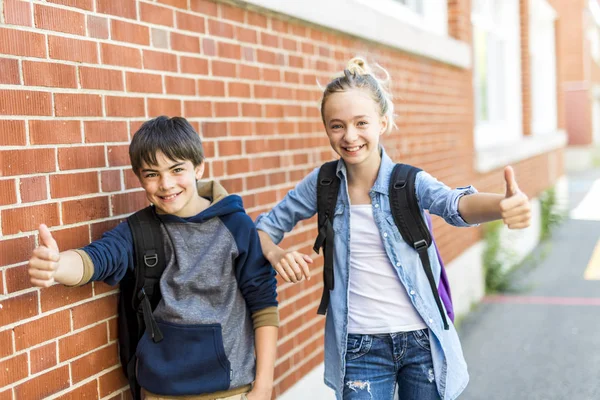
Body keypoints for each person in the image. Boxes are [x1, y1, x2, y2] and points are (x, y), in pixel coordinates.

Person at [255, 57, 531, 400]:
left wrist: (499, 206)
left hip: (420, 341)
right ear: (326, 128)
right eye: (337, 126)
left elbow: (453, 204)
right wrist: (276, 253)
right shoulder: (323, 184)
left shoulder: (408, 182)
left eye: (361, 123)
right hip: (358, 347)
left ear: (382, 122)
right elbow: (265, 228)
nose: (350, 136)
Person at [28, 116, 279, 400]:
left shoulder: (236, 226)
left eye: (176, 169)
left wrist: (263, 386)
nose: (166, 184)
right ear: (140, 178)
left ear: (198, 168)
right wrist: (58, 265)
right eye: (152, 174)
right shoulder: (139, 231)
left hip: (229, 392)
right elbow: (98, 259)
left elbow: (264, 305)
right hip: (160, 393)